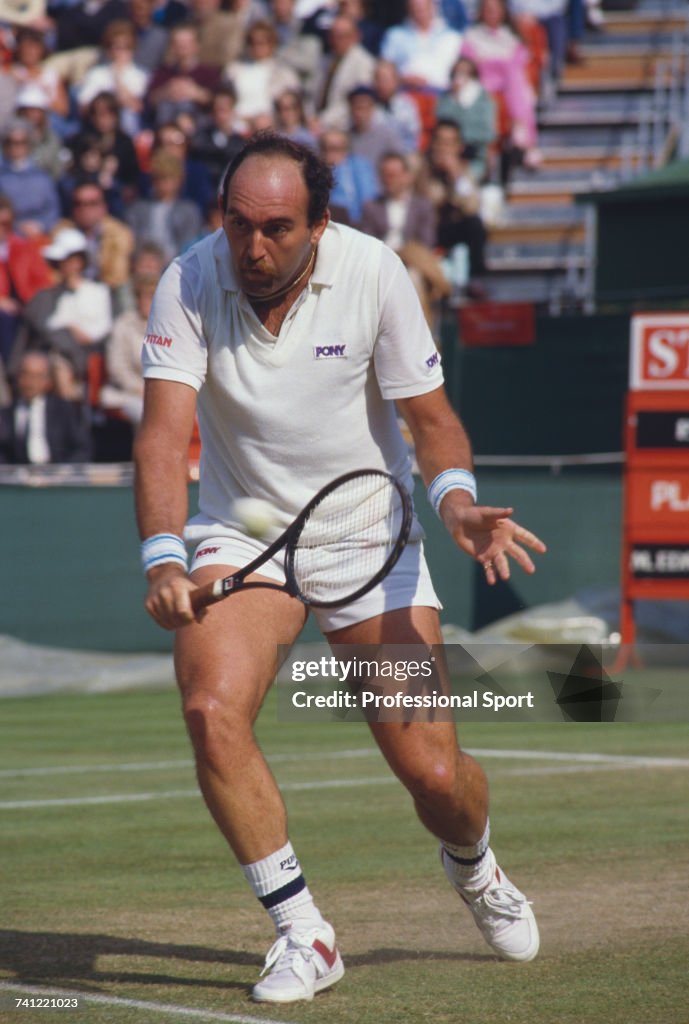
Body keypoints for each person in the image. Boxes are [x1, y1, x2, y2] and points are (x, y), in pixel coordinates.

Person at [134, 131, 545, 1005]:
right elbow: (165, 435)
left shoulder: (373, 271)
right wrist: (164, 557)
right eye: (239, 224)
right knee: (211, 709)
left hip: (372, 538)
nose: (254, 246)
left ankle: (474, 867)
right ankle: (304, 933)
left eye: (278, 227)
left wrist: (459, 506)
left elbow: (430, 422)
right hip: (246, 538)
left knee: (436, 778)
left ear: (319, 225)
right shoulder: (189, 279)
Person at [0, 350, 91, 463]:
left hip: (59, 474)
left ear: (48, 381)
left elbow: (82, 448)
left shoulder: (64, 410)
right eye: (26, 374)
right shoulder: (6, 414)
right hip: (19, 475)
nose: (30, 382)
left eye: (37, 376)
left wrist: (62, 474)